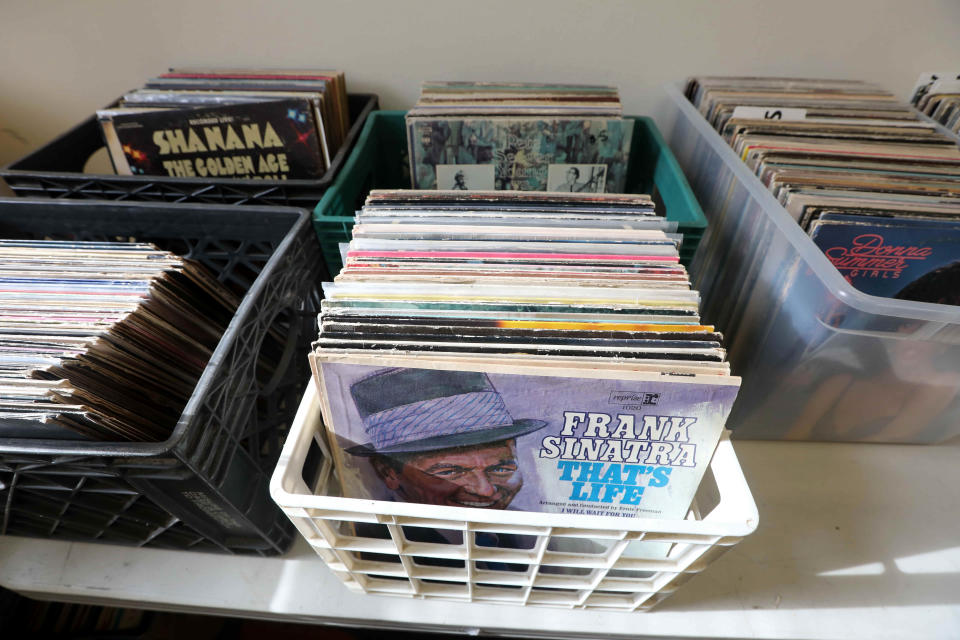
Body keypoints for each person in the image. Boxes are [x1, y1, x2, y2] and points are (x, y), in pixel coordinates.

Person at [345, 368, 546, 509]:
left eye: (501, 469)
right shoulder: (375, 536)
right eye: (451, 471)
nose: (486, 491)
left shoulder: (526, 537)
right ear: (388, 474)